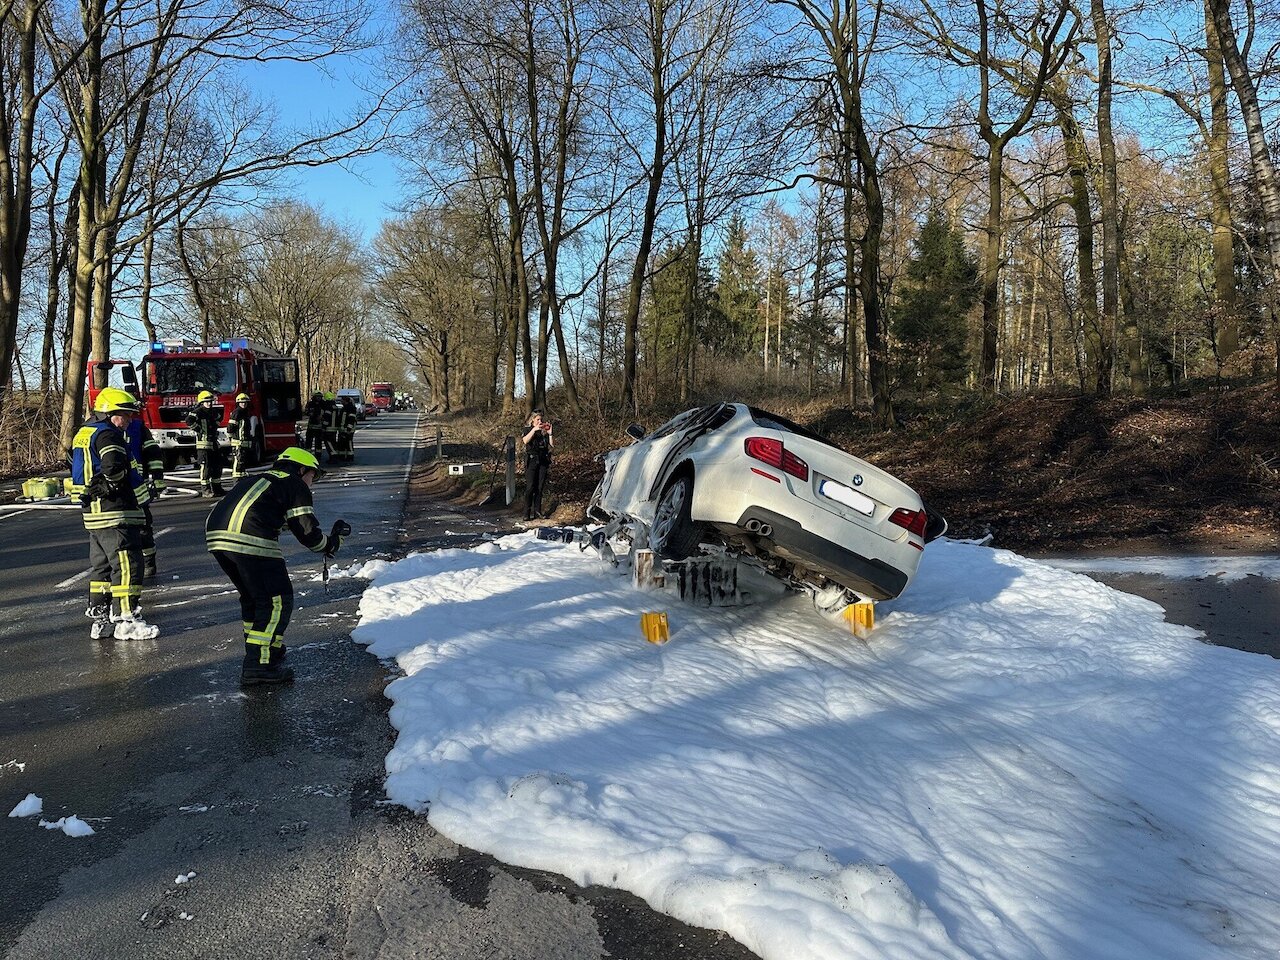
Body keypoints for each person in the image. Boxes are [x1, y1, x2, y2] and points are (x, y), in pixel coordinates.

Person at [205, 446, 348, 685]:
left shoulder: (260, 479)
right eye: (313, 475)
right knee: (277, 601)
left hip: (217, 537)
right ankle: (259, 666)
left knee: (254, 598)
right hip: (250, 539)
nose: (313, 482)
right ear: (301, 469)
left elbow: (267, 515)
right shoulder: (295, 484)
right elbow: (307, 532)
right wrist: (331, 544)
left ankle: (266, 650)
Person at [69, 387, 160, 641]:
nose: (129, 420)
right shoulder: (109, 434)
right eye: (125, 414)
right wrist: (112, 483)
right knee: (127, 564)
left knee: (101, 568)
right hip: (114, 511)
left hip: (94, 514)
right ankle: (127, 619)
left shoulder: (84, 432)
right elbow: (113, 466)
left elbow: (74, 462)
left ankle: (100, 619)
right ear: (110, 412)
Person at [125, 415, 166, 578]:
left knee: (142, 526)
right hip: (113, 490)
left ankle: (149, 561)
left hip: (137, 485)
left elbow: (153, 453)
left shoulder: (138, 428)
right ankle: (126, 565)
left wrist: (157, 479)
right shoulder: (99, 431)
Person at [186, 390, 224, 497]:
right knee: (206, 467)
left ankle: (217, 488)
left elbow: (219, 418)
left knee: (217, 466)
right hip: (203, 444)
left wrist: (216, 424)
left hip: (214, 443)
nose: (209, 403)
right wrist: (199, 429)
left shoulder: (213, 412)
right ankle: (206, 490)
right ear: (202, 402)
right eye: (206, 402)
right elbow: (188, 421)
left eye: (210, 401)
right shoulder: (198, 411)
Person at [521, 409, 554, 520]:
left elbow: (551, 446)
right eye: (537, 419)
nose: (540, 421)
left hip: (543, 460)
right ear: (532, 420)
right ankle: (526, 512)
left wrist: (550, 434)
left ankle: (537, 511)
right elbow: (525, 441)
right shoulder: (528, 430)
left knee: (540, 487)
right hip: (531, 460)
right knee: (530, 487)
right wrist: (534, 430)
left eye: (541, 419)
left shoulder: (543, 431)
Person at [227, 393, 258, 479]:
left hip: (243, 443)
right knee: (238, 463)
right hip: (238, 443)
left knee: (242, 463)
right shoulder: (237, 413)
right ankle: (237, 481)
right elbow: (230, 428)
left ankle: (242, 479)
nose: (243, 404)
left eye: (245, 402)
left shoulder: (246, 413)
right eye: (242, 402)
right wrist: (233, 439)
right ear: (238, 403)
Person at [334, 395, 359, 463]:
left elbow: (351, 419)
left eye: (343, 400)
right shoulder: (344, 408)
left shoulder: (351, 409)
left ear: (346, 401)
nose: (341, 402)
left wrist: (348, 429)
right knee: (341, 443)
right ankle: (342, 456)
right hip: (342, 429)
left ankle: (350, 456)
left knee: (348, 442)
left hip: (349, 430)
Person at [304, 391, 326, 455]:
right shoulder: (310, 403)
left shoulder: (323, 404)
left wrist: (322, 418)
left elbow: (327, 413)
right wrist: (309, 413)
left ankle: (318, 454)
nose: (318, 398)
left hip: (319, 426)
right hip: (311, 425)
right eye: (317, 397)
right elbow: (306, 411)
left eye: (320, 397)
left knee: (318, 441)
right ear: (314, 397)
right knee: (308, 441)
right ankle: (308, 454)